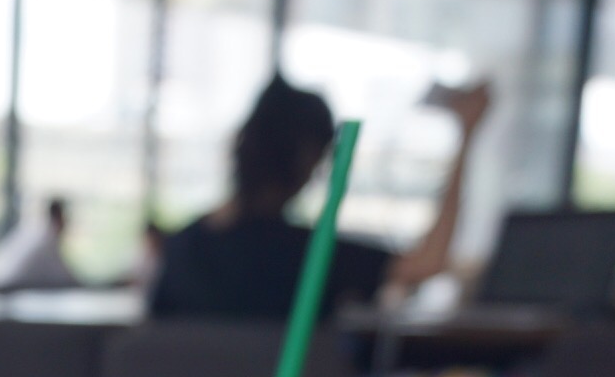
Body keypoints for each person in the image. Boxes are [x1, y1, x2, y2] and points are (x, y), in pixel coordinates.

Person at [149, 75, 491, 321]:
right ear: (308, 159)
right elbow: (427, 263)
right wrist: (467, 136)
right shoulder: (309, 253)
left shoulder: (181, 246)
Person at [0, 198, 79, 291]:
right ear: (60, 217)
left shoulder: (34, 231)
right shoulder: (46, 241)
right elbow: (63, 276)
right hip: (2, 291)